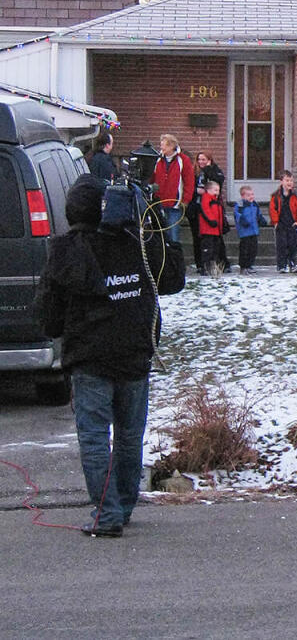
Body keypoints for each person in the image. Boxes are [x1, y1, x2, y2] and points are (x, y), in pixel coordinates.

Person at [35, 174, 185, 537]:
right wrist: (160, 230)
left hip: (91, 361)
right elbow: (173, 280)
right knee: (130, 436)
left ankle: (108, 513)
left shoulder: (67, 251)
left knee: (94, 438)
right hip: (134, 357)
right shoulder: (137, 243)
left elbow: (49, 321)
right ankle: (121, 507)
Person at [149, 134, 194, 245]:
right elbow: (151, 178)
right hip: (159, 203)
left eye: (164, 145)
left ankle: (174, 260)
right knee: (160, 236)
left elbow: (189, 181)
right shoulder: (157, 159)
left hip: (175, 204)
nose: (161, 148)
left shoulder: (183, 160)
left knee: (173, 236)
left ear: (171, 146)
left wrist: (186, 200)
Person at [188, 152, 230, 271]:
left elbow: (218, 181)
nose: (201, 162)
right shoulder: (193, 172)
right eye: (199, 159)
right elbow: (189, 187)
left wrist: (207, 169)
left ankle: (222, 263)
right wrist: (196, 191)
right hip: (196, 207)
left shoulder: (214, 170)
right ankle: (201, 264)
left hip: (213, 208)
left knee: (217, 239)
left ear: (209, 160)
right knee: (198, 238)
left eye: (204, 159)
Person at [269, 170, 297, 273]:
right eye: (287, 180)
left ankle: (292, 264)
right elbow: (273, 209)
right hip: (280, 224)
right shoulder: (275, 196)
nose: (289, 183)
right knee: (281, 246)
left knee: (293, 245)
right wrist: (275, 222)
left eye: (291, 180)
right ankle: (281, 265)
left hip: (292, 224)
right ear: (281, 181)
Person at [196, 179, 225, 276]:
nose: (217, 192)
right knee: (207, 250)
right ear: (208, 190)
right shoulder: (206, 198)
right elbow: (205, 210)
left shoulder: (216, 201)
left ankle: (213, 267)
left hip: (216, 230)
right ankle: (205, 267)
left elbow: (220, 215)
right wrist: (211, 220)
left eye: (218, 190)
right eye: (215, 190)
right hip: (208, 229)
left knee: (214, 250)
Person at [234, 186, 261, 274]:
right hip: (245, 232)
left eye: (252, 194)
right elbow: (237, 215)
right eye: (248, 195)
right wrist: (243, 221)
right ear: (243, 196)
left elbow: (258, 214)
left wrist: (261, 219)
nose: (251, 197)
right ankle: (243, 266)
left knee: (253, 250)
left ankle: (250, 265)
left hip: (253, 231)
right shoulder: (240, 205)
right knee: (244, 250)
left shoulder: (254, 204)